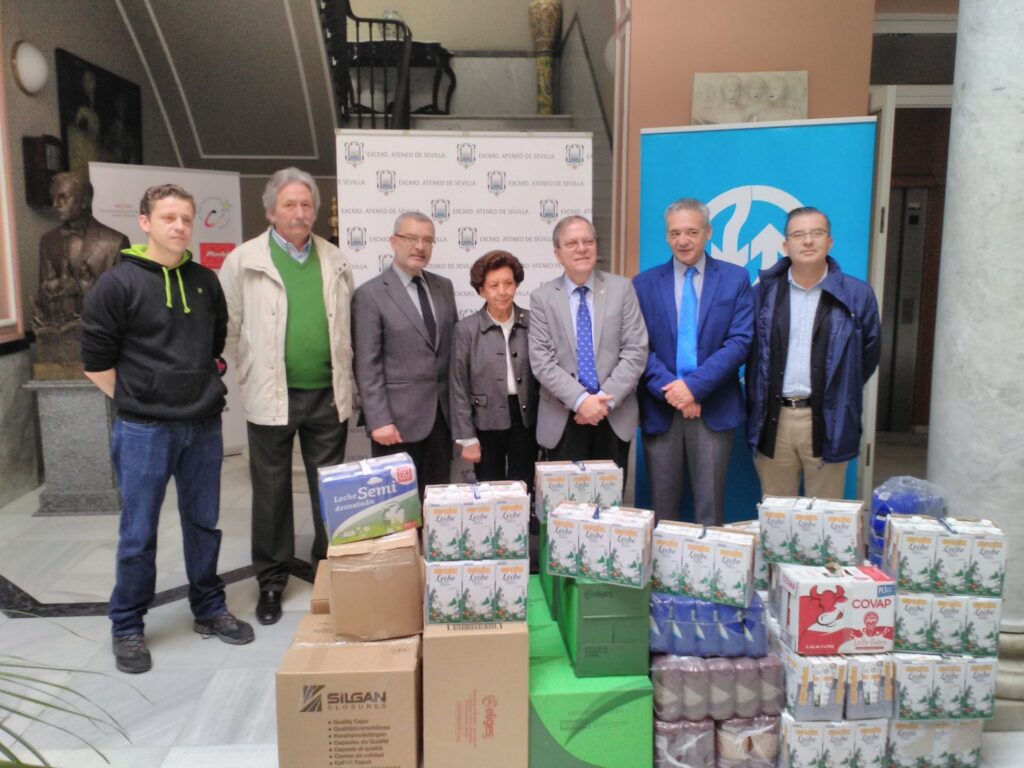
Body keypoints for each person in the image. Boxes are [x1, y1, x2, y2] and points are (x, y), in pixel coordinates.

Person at [81, 184, 253, 674]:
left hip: (202, 426)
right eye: (168, 218)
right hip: (145, 431)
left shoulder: (205, 281)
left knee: (204, 524)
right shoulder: (117, 284)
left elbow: (213, 344)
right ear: (145, 222)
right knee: (138, 532)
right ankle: (127, 626)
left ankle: (209, 607)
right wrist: (139, 400)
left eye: (186, 218)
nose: (179, 226)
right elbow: (95, 362)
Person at [219, 168, 354, 627]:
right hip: (271, 394)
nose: (300, 212)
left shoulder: (335, 258)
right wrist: (251, 369)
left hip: (327, 394)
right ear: (271, 211)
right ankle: (272, 580)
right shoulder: (244, 260)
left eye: (306, 204)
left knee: (329, 490)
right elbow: (228, 328)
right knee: (271, 492)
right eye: (290, 204)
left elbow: (343, 324)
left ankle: (328, 568)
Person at [746, 206, 881, 499]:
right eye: (798, 235)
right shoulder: (762, 295)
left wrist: (838, 390)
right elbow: (748, 352)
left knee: (825, 517)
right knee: (778, 514)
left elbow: (867, 356)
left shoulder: (858, 295)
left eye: (816, 233)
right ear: (785, 245)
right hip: (775, 420)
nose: (808, 241)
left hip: (828, 419)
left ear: (829, 242)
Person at [633, 198, 754, 525]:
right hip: (662, 407)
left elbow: (740, 342)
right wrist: (674, 391)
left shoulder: (734, 279)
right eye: (675, 233)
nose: (683, 240)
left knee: (709, 509)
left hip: (713, 406)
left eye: (691, 232)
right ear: (666, 236)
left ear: (708, 232)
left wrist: (694, 388)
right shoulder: (644, 283)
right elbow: (637, 345)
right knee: (663, 509)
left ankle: (708, 561)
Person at [529, 216, 647, 471]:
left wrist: (601, 402)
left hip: (613, 412)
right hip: (564, 418)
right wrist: (582, 401)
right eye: (571, 243)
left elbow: (636, 350)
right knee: (564, 497)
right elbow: (542, 361)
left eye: (588, 241)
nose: (581, 248)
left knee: (610, 497)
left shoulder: (622, 289)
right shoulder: (542, 298)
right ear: (558, 254)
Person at [353, 211, 457, 492]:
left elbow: (451, 355)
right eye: (411, 238)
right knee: (398, 507)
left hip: (442, 420)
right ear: (393, 241)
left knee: (437, 502)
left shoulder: (444, 287)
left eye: (427, 240)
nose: (419, 247)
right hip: (395, 425)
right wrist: (379, 420)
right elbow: (366, 364)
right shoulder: (370, 294)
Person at [450, 250, 538, 488]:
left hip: (526, 418)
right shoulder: (466, 330)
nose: (502, 291)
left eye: (508, 283)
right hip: (485, 420)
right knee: (490, 488)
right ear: (481, 290)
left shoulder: (533, 322)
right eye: (494, 285)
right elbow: (458, 385)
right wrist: (467, 437)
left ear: (516, 285)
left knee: (524, 485)